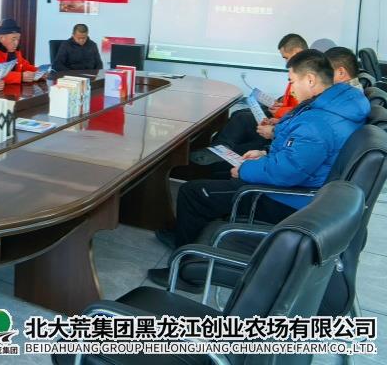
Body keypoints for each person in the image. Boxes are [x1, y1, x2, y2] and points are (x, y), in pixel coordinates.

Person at [148, 49, 370, 288]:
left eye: (292, 81)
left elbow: (286, 172)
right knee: (216, 177)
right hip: (304, 190)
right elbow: (299, 154)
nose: (291, 89)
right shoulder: (338, 106)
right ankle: (191, 237)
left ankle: (184, 274)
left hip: (287, 200)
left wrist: (246, 169)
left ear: (310, 80)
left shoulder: (318, 122)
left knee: (193, 193)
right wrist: (265, 154)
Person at [193, 33, 309, 168]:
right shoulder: (299, 71)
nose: (286, 62)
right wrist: (281, 102)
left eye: (286, 57)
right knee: (238, 114)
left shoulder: (307, 77)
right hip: (281, 117)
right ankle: (217, 148)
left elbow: (302, 110)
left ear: (297, 52)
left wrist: (279, 116)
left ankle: (219, 151)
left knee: (241, 118)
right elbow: (293, 100)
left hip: (283, 123)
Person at [0, 18, 41, 84]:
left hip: (11, 87)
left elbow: (23, 65)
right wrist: (20, 77)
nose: (16, 43)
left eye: (18, 39)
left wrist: (39, 72)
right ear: (1, 38)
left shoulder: (13, 49)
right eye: (13, 39)